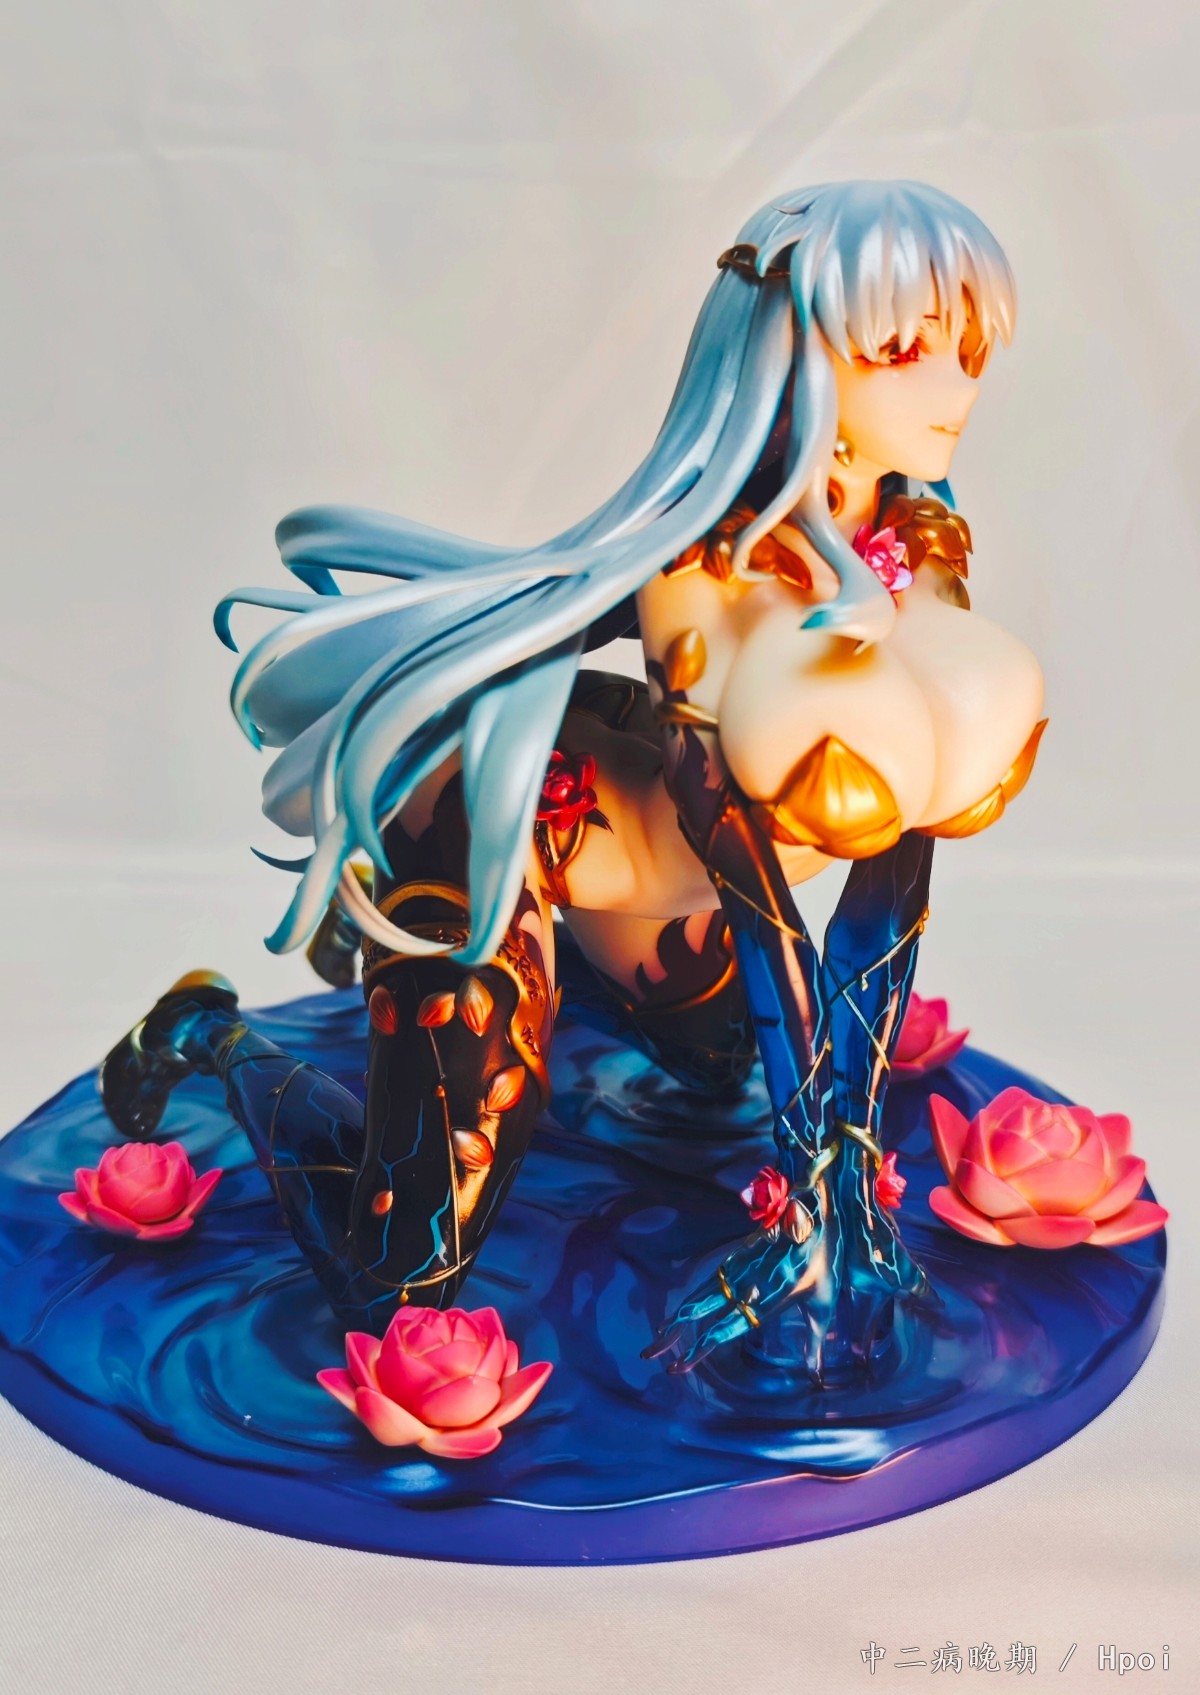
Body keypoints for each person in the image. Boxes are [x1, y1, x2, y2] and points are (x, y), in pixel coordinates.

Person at [101, 180, 1043, 1381]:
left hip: (663, 911)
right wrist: (812, 1184)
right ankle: (209, 1031)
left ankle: (559, 1000)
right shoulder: (704, 559)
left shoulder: (918, 529)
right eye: (908, 352)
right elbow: (742, 858)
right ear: (797, 354)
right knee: (401, 1273)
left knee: (717, 1083)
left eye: (971, 352)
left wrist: (846, 1165)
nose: (957, 392)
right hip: (513, 830)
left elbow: (903, 843)